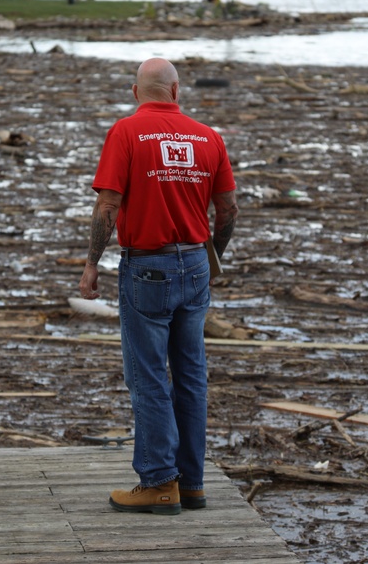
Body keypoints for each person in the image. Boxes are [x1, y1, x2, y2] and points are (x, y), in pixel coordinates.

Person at [78, 57, 239, 515]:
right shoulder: (208, 136)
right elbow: (228, 211)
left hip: (147, 268)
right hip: (195, 264)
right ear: (176, 91)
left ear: (135, 92)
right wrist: (212, 260)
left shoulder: (127, 132)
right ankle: (192, 483)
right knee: (190, 376)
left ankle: (158, 482)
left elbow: (108, 206)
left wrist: (92, 263)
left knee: (148, 376)